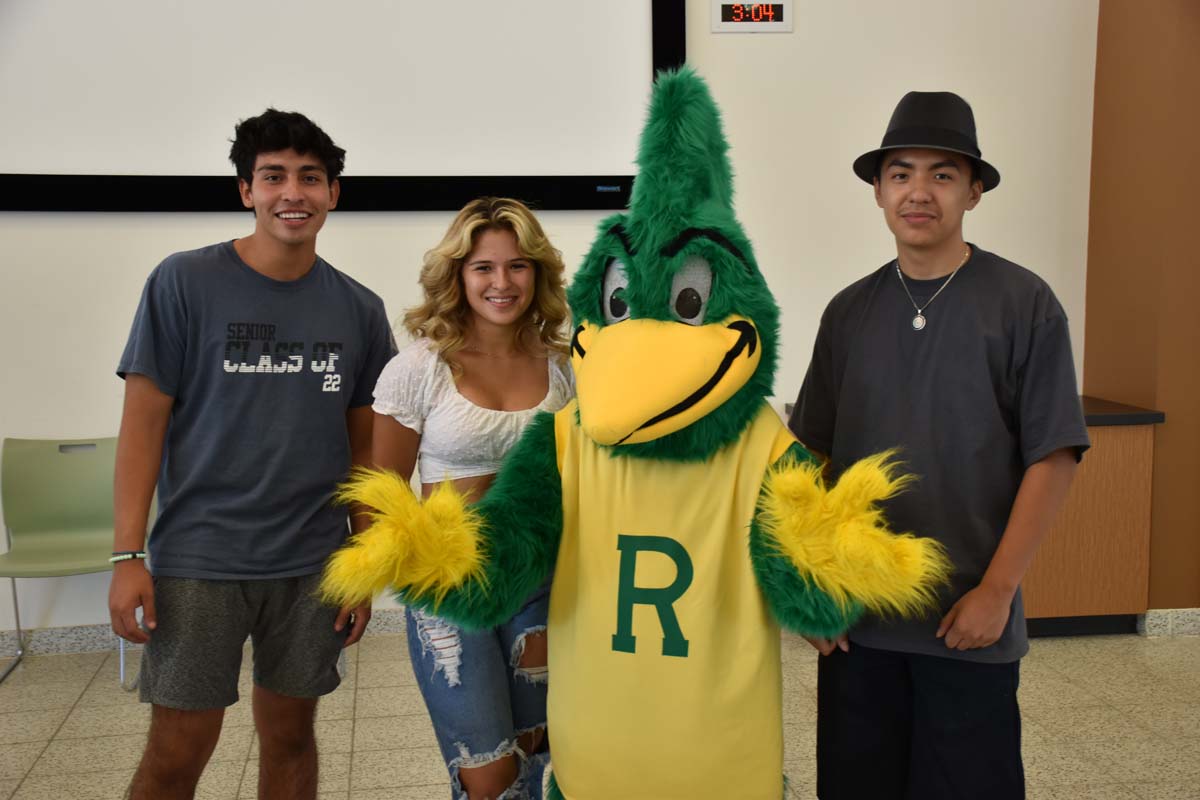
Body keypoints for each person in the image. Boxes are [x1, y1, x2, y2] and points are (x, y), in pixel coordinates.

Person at [789, 91, 1091, 799]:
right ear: (879, 190)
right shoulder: (848, 311)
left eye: (942, 174)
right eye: (901, 173)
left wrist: (998, 589)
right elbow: (809, 461)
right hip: (858, 627)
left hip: (968, 625)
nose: (918, 192)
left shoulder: (1024, 303)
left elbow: (1053, 457)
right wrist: (808, 586)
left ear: (974, 191)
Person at [108, 109, 396, 800]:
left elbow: (366, 453)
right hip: (200, 562)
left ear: (333, 194)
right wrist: (125, 557)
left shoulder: (359, 309)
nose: (291, 192)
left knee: (292, 739)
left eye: (310, 177)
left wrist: (364, 562)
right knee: (178, 750)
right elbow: (142, 428)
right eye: (273, 177)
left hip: (311, 566)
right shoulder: (182, 283)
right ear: (247, 192)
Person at [370, 196, 572, 800]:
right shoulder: (419, 368)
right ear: (457, 275)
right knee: (487, 771)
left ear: (538, 274)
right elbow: (381, 493)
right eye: (483, 267)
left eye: (517, 266)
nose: (501, 282)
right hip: (449, 589)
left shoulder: (565, 368)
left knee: (537, 751)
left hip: (541, 577)